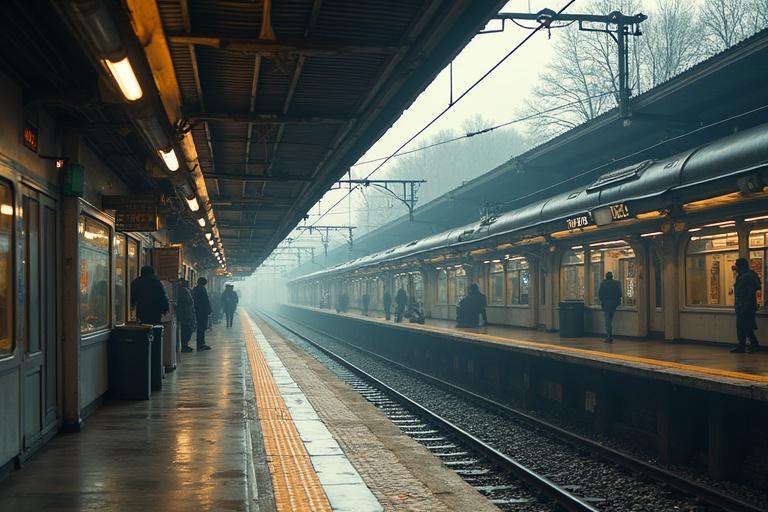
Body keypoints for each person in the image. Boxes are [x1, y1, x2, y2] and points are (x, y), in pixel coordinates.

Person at [732, 257, 761, 353]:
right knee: (741, 326)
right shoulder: (742, 275)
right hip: (741, 305)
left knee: (746, 326)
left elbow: (751, 292)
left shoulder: (748, 276)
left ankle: (754, 345)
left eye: (736, 265)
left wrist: (746, 305)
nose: (735, 267)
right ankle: (742, 346)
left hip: (746, 305)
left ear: (740, 266)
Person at [598, 271, 622, 343]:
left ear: (606, 277)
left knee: (607, 320)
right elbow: (620, 294)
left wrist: (603, 300)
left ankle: (609, 335)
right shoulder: (617, 283)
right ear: (612, 276)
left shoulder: (603, 284)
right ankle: (609, 334)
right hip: (614, 304)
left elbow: (600, 294)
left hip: (606, 304)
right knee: (610, 319)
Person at [192, 277, 212, 350]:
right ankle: (200, 345)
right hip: (202, 312)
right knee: (201, 328)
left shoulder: (196, 289)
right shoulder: (201, 290)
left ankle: (201, 343)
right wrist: (208, 309)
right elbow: (205, 301)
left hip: (200, 311)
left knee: (201, 328)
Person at [176, 279, 196, 352]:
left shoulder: (184, 290)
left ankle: (185, 345)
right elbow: (188, 302)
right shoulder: (184, 291)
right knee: (187, 330)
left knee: (186, 329)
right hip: (186, 314)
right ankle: (184, 345)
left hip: (186, 313)